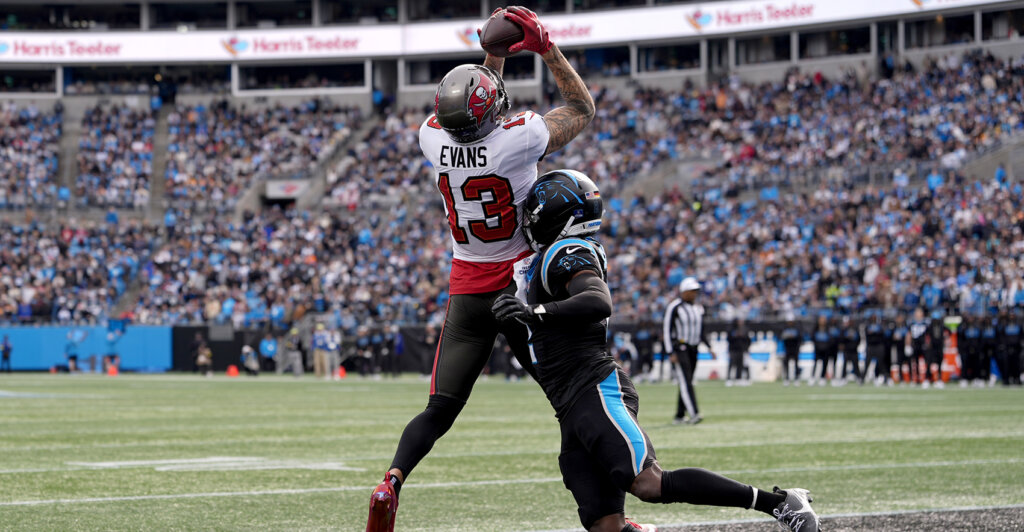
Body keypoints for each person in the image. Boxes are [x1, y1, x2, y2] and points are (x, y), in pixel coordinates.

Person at [367, 6, 596, 530]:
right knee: (571, 398)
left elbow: (476, 110)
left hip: (466, 288)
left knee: (439, 408)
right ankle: (608, 514)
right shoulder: (520, 137)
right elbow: (581, 108)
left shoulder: (431, 137)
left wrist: (492, 55)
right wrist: (545, 47)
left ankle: (391, 482)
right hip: (521, 287)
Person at [491, 171, 820, 532]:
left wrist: (535, 311)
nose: (529, 221)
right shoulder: (547, 259)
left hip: (593, 387)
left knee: (649, 482)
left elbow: (598, 300)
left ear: (557, 215)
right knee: (605, 525)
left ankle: (780, 503)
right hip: (568, 402)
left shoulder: (568, 251)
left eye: (535, 214)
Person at [663, 276, 718, 425]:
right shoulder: (675, 307)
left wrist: (709, 347)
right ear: (684, 291)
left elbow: (701, 331)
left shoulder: (698, 308)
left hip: (694, 348)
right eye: (692, 291)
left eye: (696, 291)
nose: (694, 294)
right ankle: (694, 413)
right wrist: (670, 352)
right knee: (686, 381)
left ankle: (679, 415)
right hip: (680, 348)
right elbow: (667, 330)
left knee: (686, 381)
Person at [863, 313, 890, 386]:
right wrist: (875, 333)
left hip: (879, 346)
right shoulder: (868, 326)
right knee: (867, 363)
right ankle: (862, 379)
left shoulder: (880, 326)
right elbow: (867, 334)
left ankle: (886, 378)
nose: (873, 319)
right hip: (870, 346)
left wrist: (874, 333)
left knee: (881, 363)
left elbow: (882, 334)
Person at [810, 315, 836, 386]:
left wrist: (827, 346)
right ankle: (812, 377)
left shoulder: (828, 329)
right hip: (818, 349)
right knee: (815, 364)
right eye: (821, 320)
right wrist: (817, 345)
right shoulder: (816, 329)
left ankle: (822, 378)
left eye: (823, 320)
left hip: (826, 350)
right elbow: (812, 337)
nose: (822, 321)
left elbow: (831, 339)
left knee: (825, 364)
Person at [725, 318, 752, 387]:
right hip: (733, 349)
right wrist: (735, 336)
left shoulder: (744, 329)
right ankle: (729, 379)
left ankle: (738, 378)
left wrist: (746, 348)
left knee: (740, 365)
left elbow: (748, 340)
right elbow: (728, 338)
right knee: (731, 364)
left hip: (741, 350)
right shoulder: (731, 329)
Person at [837, 316, 862, 385]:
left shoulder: (855, 329)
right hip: (846, 350)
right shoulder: (844, 330)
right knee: (845, 365)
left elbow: (859, 339)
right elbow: (841, 339)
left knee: (856, 365)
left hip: (854, 350)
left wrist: (855, 346)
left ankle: (859, 378)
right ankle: (843, 378)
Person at [778, 319, 803, 386]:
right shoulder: (784, 329)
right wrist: (787, 336)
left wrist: (794, 337)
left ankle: (796, 378)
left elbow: (800, 338)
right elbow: (780, 336)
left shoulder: (797, 328)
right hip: (787, 349)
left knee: (796, 364)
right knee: (786, 364)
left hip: (795, 349)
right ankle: (787, 378)